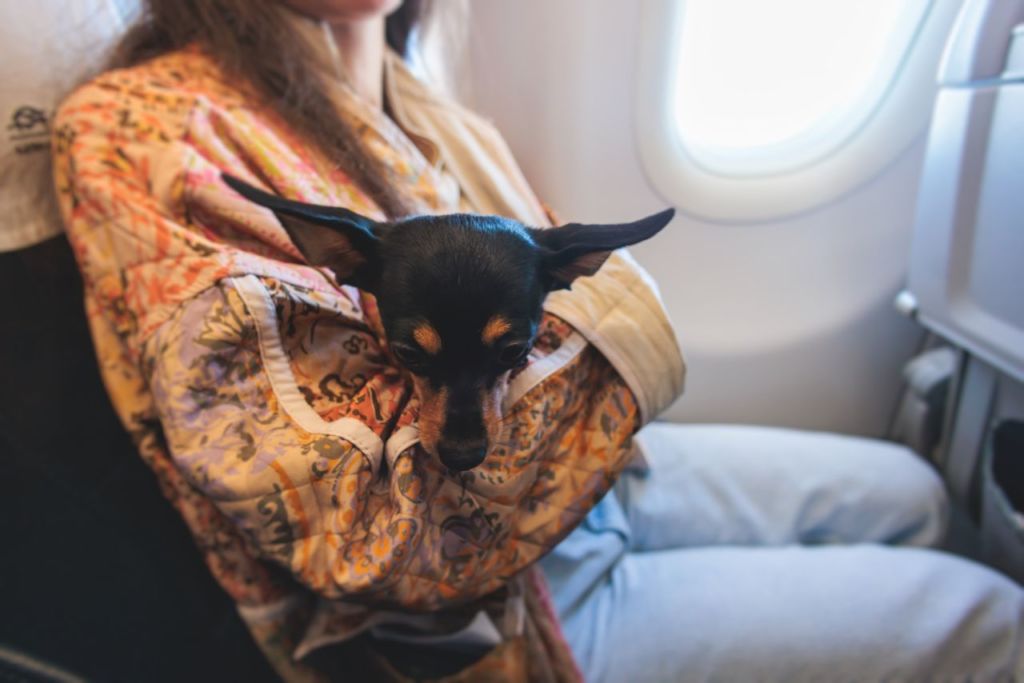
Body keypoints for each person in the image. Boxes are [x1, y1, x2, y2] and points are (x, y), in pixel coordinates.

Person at [52, 1, 1024, 681]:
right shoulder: (143, 130)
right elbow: (361, 526)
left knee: (916, 492)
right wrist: (613, 328)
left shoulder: (418, 104)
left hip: (602, 481)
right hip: (484, 618)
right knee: (995, 620)